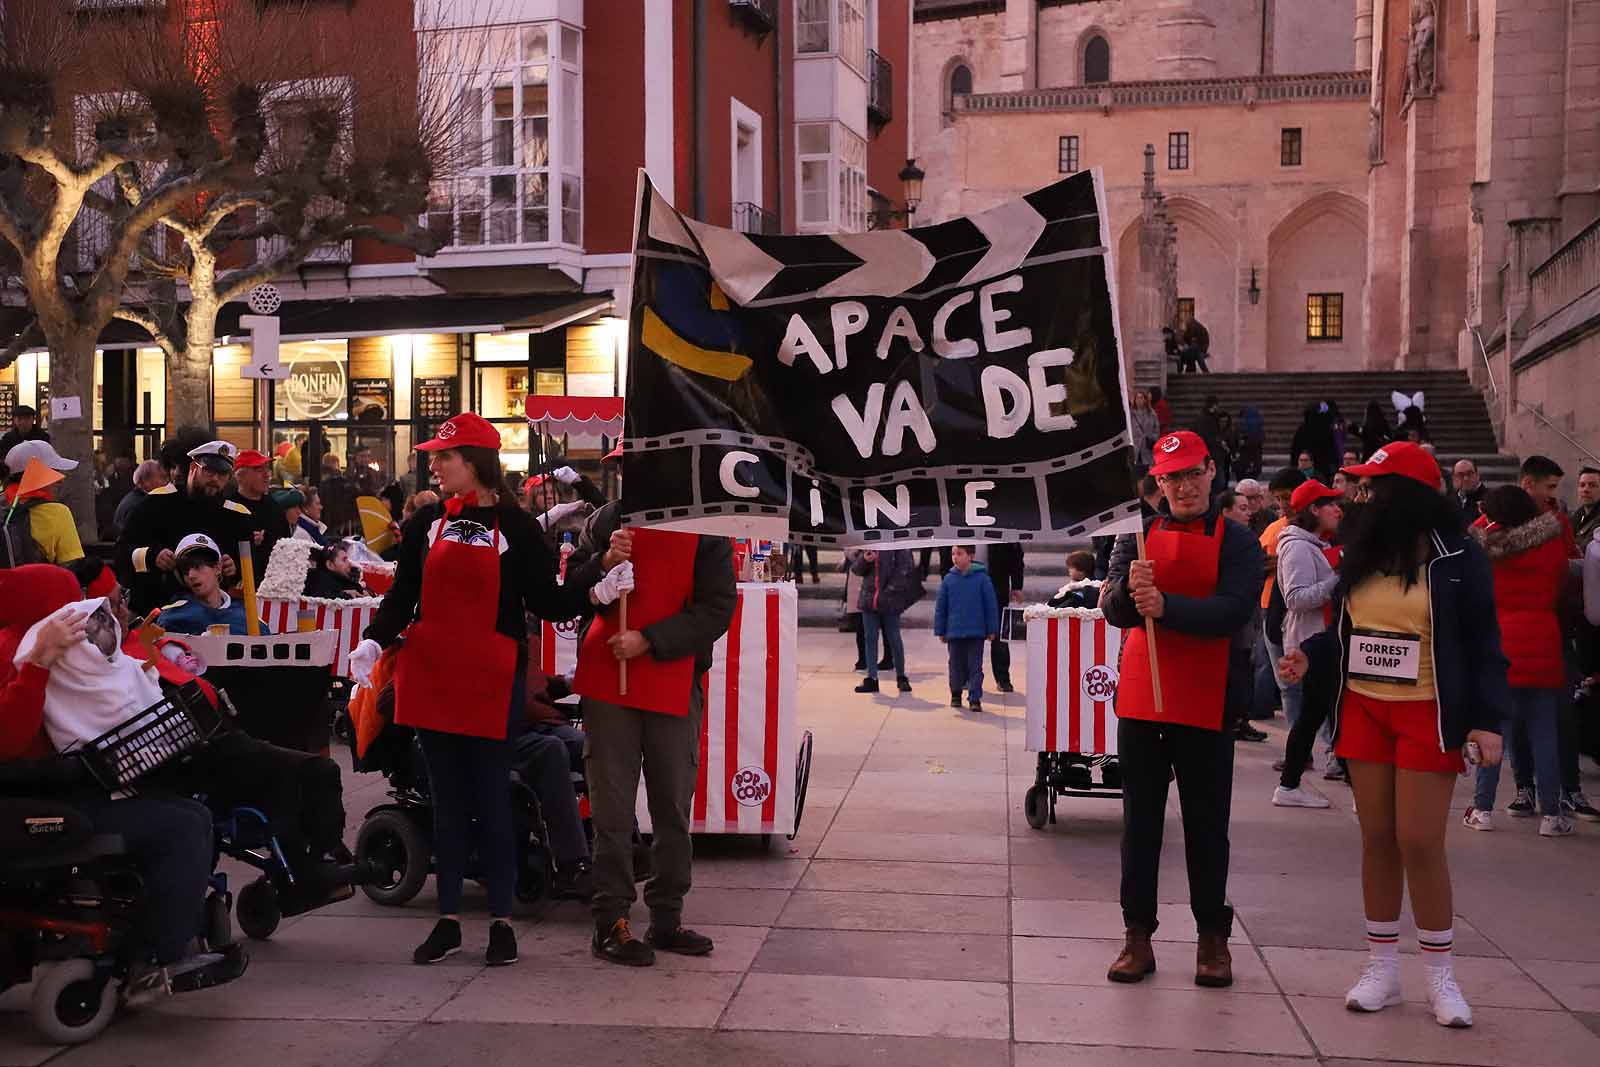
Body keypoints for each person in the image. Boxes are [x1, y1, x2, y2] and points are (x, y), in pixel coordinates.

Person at [350, 412, 627, 968]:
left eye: (443, 456)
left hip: (491, 678)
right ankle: (448, 919)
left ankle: (501, 922)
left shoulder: (519, 527)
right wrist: (374, 641)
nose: (433, 463)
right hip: (431, 676)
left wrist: (597, 586)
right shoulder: (428, 521)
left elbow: (547, 603)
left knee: (493, 801)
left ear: (474, 463)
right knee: (447, 804)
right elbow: (404, 594)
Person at [1283, 442, 1505, 1028]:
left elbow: (1484, 641)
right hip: (1364, 707)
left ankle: (1441, 977)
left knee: (1420, 841)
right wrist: (1310, 656)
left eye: (1371, 486)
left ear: (1404, 492)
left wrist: (1487, 719)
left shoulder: (1459, 553)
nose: (1360, 495)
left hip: (1427, 712)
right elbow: (1355, 631)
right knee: (1377, 837)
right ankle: (1381, 967)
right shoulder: (1361, 549)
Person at [0, 564, 234, 998]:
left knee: (188, 810)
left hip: (61, 784)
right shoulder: (28, 650)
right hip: (39, 796)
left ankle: (169, 929)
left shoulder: (53, 645)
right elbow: (9, 738)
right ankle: (158, 958)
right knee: (182, 826)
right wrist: (38, 663)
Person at [1101, 431, 1265, 989]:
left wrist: (1167, 607)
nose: (1185, 485)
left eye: (1193, 473)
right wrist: (1127, 588)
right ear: (1159, 483)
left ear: (1211, 473)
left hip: (1210, 697)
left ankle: (1211, 938)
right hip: (1144, 698)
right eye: (1173, 477)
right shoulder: (1137, 535)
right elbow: (1114, 610)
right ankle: (1137, 935)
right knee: (1139, 823)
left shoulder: (1240, 542)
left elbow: (1233, 611)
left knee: (1206, 825)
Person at [567, 457, 735, 968]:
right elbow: (571, 588)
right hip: (608, 679)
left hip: (672, 676)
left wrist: (651, 640)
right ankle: (611, 919)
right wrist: (600, 566)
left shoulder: (706, 531)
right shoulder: (605, 521)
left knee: (671, 807)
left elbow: (717, 607)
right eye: (625, 466)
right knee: (612, 808)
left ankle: (667, 914)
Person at [1461, 486, 1574, 836]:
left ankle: (1482, 809)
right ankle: (1552, 816)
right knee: (1544, 733)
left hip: (1500, 643)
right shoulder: (1551, 543)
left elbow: (1474, 536)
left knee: (1491, 730)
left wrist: (1487, 519)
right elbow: (1561, 586)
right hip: (1543, 638)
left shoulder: (1485, 548)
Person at [1271, 480, 1346, 808]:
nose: (1337, 509)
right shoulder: (1298, 546)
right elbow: (1298, 598)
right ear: (1313, 509)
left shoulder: (1313, 544)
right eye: (1329, 504)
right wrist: (1341, 577)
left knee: (1319, 714)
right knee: (1324, 713)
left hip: (1319, 642)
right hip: (1310, 645)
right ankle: (1289, 785)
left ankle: (1289, 785)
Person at [115, 441, 255, 616]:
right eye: (209, 471)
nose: (215, 480)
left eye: (223, 474)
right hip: (157, 609)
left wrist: (234, 568)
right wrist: (152, 556)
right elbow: (122, 551)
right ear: (192, 468)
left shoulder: (237, 515)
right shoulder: (156, 503)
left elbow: (252, 569)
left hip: (216, 614)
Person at [155, 534, 274, 636]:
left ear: (217, 568)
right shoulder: (172, 618)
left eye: (198, 566)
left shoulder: (249, 616)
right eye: (185, 571)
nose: (191, 575)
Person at [935, 546, 1000, 712]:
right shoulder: (949, 579)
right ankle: (955, 693)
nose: (955, 557)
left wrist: (991, 629)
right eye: (953, 554)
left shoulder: (982, 579)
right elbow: (941, 608)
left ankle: (975, 697)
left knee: (975, 667)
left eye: (959, 554)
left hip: (976, 632)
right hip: (954, 632)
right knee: (955, 665)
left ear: (970, 556)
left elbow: (990, 606)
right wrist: (941, 630)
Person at [3, 440, 84, 567]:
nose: (59, 480)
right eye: (54, 472)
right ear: (38, 476)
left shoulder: (3, 506)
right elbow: (69, 567)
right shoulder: (58, 513)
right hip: (39, 585)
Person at [851, 548, 921, 694]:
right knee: (870, 638)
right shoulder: (870, 542)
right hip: (869, 599)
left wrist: (887, 591)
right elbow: (856, 569)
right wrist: (865, 559)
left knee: (894, 637)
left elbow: (905, 569)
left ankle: (901, 676)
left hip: (890, 599)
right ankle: (872, 678)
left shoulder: (898, 544)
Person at [230, 450, 290, 578]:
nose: (267, 475)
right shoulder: (229, 508)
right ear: (240, 476)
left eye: (267, 469)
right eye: (258, 469)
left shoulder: (273, 506)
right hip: (241, 586)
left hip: (274, 583)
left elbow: (286, 543)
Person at [986, 542, 1024, 693]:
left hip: (997, 587)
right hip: (969, 586)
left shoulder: (1001, 526)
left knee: (999, 636)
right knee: (970, 636)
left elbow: (1016, 556)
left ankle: (1003, 679)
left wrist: (1016, 585)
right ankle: (965, 678)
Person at [112, 460, 168, 539]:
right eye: (162, 478)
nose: (166, 483)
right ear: (146, 481)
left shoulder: (136, 499)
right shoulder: (140, 505)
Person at [1130, 389, 1161, 476]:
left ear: (1145, 399)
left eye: (1141, 398)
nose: (1139, 400)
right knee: (1136, 471)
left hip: (1148, 445)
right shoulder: (1131, 414)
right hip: (1136, 446)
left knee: (1148, 471)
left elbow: (1157, 429)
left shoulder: (1151, 413)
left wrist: (1152, 438)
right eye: (1138, 398)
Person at [1450, 460, 1486, 524]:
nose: (1466, 478)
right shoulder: (1449, 501)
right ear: (1454, 478)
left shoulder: (1491, 499)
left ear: (1477, 475)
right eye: (1460, 475)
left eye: (1470, 474)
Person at [1574, 467, 1600, 546]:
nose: (1585, 489)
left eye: (1592, 485)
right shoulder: (1577, 515)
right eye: (1582, 485)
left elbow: (1583, 550)